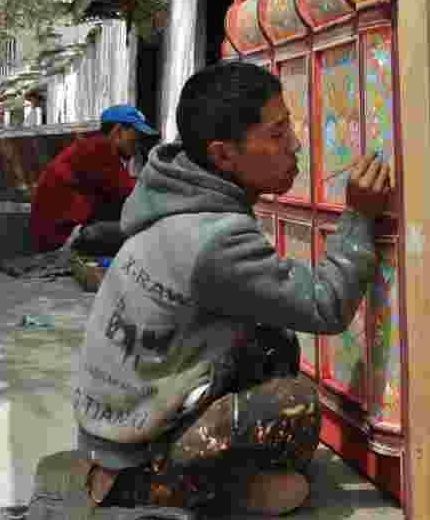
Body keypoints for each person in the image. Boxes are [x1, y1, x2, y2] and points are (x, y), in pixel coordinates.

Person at [74, 62, 392, 515]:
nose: (295, 144)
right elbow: (325, 306)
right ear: (223, 156)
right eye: (278, 133)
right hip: (131, 450)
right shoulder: (214, 240)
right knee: (296, 405)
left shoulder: (171, 204)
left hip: (111, 429)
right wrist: (359, 217)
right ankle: (149, 488)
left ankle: (172, 473)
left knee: (271, 345)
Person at [30, 105, 159, 257]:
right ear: (117, 132)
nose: (138, 144)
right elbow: (131, 193)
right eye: (136, 136)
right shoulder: (100, 149)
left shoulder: (92, 147)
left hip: (55, 234)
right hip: (59, 240)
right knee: (143, 231)